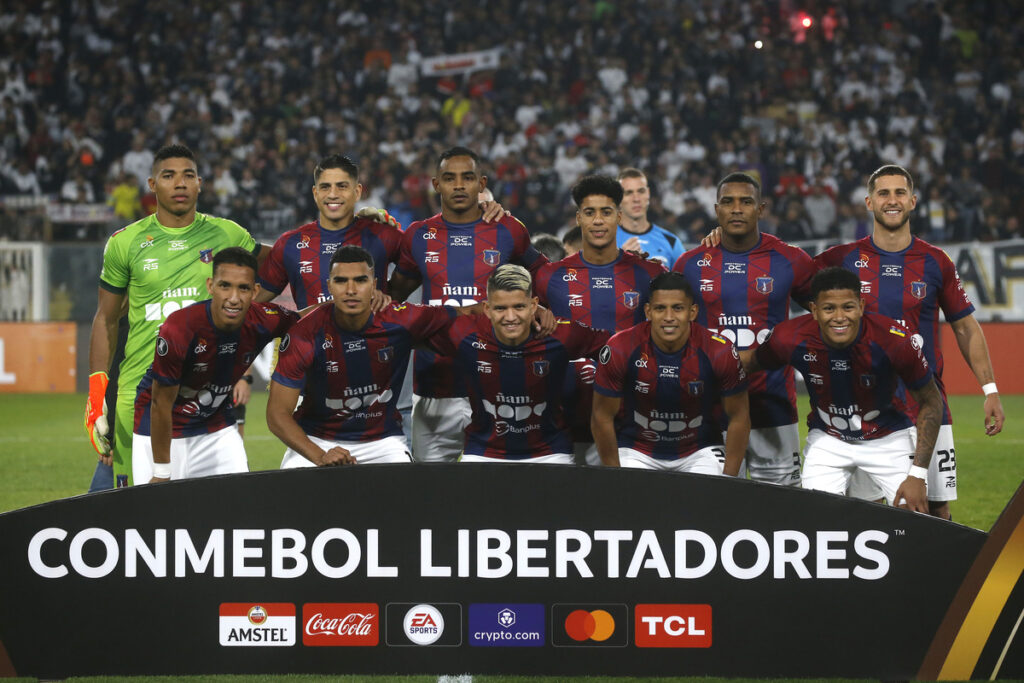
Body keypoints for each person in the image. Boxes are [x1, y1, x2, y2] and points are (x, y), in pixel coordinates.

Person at [814, 164, 1005, 519]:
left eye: (900, 193)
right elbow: (784, 278)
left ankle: (943, 577)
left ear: (913, 201)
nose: (892, 200)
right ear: (869, 202)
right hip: (866, 409)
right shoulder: (842, 259)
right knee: (867, 512)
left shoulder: (936, 262)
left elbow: (965, 327)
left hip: (926, 405)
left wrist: (989, 388)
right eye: (883, 193)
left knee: (936, 509)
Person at [85, 143, 268, 488]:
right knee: (136, 516)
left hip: (205, 395)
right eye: (169, 176)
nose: (180, 183)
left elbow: (283, 263)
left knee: (223, 511)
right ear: (152, 185)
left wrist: (348, 227)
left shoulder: (227, 234)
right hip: (139, 396)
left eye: (188, 176)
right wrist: (97, 393)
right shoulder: (125, 243)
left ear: (200, 183)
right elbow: (106, 319)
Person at [387, 146, 549, 463]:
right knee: (431, 494)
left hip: (500, 386)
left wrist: (540, 309)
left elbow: (546, 277)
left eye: (467, 178)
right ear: (436, 184)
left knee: (498, 492)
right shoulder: (419, 235)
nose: (459, 186)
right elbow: (391, 300)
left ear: (481, 183)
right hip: (436, 387)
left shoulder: (508, 230)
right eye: (450, 178)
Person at [743, 266, 943, 512]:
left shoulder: (895, 340)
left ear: (861, 305)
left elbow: (931, 401)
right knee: (818, 519)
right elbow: (749, 363)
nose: (839, 317)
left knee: (913, 514)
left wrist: (918, 474)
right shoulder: (789, 337)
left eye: (848, 307)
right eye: (829, 309)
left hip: (889, 438)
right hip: (829, 439)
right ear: (814, 310)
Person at [674, 172, 817, 486]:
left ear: (761, 209)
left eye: (746, 202)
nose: (737, 209)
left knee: (783, 510)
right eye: (728, 202)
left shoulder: (790, 259)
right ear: (717, 210)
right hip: (710, 410)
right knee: (717, 511)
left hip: (775, 406)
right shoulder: (689, 264)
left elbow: (827, 314)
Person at [267, 246, 467, 467]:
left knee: (406, 497)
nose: (351, 290)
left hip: (382, 441)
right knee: (292, 497)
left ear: (374, 285)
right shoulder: (304, 334)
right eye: (341, 281)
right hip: (317, 438)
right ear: (329, 286)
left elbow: (467, 315)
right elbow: (277, 414)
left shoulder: (401, 319)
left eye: (360, 280)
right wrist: (320, 455)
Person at [132, 248, 299, 482]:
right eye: (225, 286)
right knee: (157, 514)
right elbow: (160, 404)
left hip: (216, 425)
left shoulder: (266, 319)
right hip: (159, 428)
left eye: (243, 288)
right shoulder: (180, 328)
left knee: (237, 505)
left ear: (255, 291)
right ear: (211, 286)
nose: (233, 297)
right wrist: (161, 471)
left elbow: (308, 321)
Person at [534, 174, 667, 464]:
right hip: (562, 424)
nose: (598, 221)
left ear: (618, 217)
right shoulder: (548, 277)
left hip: (632, 427)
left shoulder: (650, 275)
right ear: (578, 218)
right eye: (590, 213)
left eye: (606, 212)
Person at [434, 264, 609, 463]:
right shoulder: (464, 333)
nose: (510, 318)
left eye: (519, 307)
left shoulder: (562, 334)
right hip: (483, 451)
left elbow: (618, 350)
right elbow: (408, 334)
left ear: (534, 306)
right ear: (487, 309)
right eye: (500, 308)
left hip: (550, 452)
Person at [592, 272, 750, 474]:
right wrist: (615, 476)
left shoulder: (720, 350)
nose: (669, 317)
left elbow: (739, 415)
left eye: (678, 308)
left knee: (710, 500)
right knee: (629, 501)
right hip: (636, 449)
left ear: (692, 312)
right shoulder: (620, 348)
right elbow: (601, 416)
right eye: (660, 308)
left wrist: (729, 479)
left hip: (700, 449)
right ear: (648, 311)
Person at [255, 154, 402, 308]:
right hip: (312, 332)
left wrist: (388, 299)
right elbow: (253, 306)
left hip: (372, 332)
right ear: (315, 193)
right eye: (325, 187)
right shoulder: (289, 243)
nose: (333, 194)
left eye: (342, 186)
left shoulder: (384, 235)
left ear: (357, 192)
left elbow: (418, 266)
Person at [616, 168, 686, 268]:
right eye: (628, 193)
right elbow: (594, 281)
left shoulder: (671, 241)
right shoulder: (605, 242)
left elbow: (685, 282)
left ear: (648, 193)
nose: (636, 199)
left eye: (641, 191)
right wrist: (621, 261)